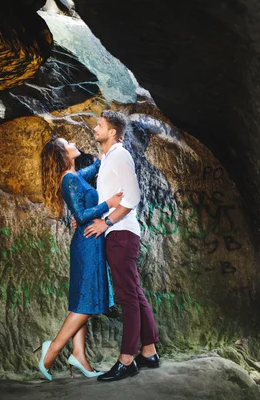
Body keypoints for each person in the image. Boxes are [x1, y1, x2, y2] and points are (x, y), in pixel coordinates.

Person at [36, 136, 122, 381]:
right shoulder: (68, 180)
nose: (73, 142)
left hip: (89, 242)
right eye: (67, 142)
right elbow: (81, 214)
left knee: (82, 300)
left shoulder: (74, 176)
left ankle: (79, 354)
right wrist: (110, 203)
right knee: (87, 302)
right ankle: (50, 352)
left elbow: (94, 168)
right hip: (87, 242)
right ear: (63, 153)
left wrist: (108, 153)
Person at [83, 110, 160, 382]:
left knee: (127, 298)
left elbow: (133, 196)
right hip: (120, 235)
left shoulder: (121, 155)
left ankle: (126, 360)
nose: (95, 128)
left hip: (121, 235)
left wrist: (106, 222)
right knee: (136, 294)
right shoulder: (109, 158)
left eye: (100, 125)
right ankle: (149, 350)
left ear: (112, 132)